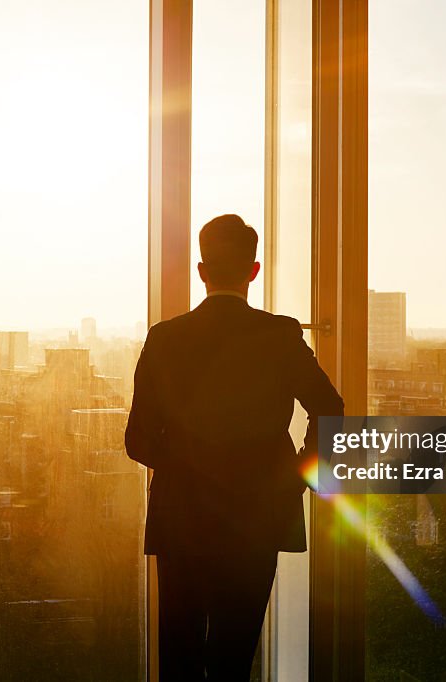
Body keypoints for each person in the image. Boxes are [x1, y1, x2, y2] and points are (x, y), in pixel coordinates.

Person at [125, 214, 344, 680]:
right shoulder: (280, 336)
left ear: (201, 272)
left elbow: (138, 440)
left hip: (182, 517)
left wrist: (188, 467)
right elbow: (330, 410)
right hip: (258, 516)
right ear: (253, 270)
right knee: (233, 657)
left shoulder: (165, 339)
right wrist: (293, 480)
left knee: (180, 657)